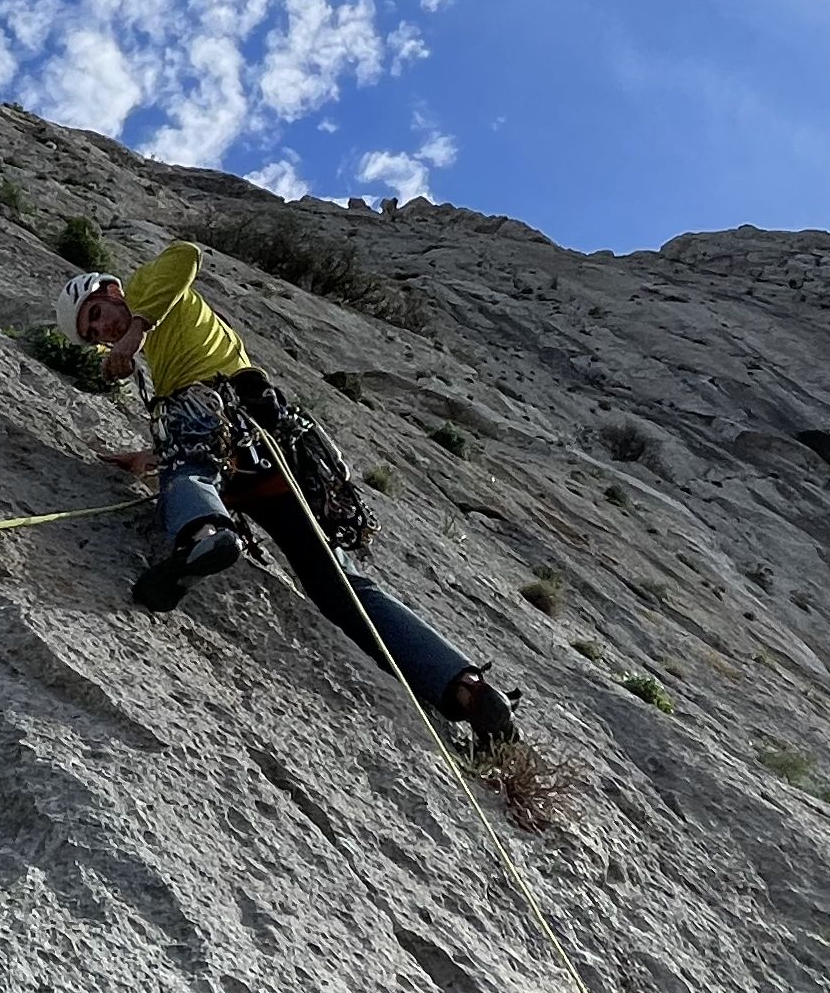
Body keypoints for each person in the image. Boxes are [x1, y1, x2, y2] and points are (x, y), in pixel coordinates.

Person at [68, 245, 518, 754]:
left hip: (216, 415)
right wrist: (147, 458)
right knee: (340, 588)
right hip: (270, 447)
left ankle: (204, 538)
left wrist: (134, 333)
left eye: (97, 315)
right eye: (94, 335)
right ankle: (464, 689)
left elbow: (186, 256)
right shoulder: (169, 341)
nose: (102, 332)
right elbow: (212, 437)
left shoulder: (149, 287)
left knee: (188, 472)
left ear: (109, 292)